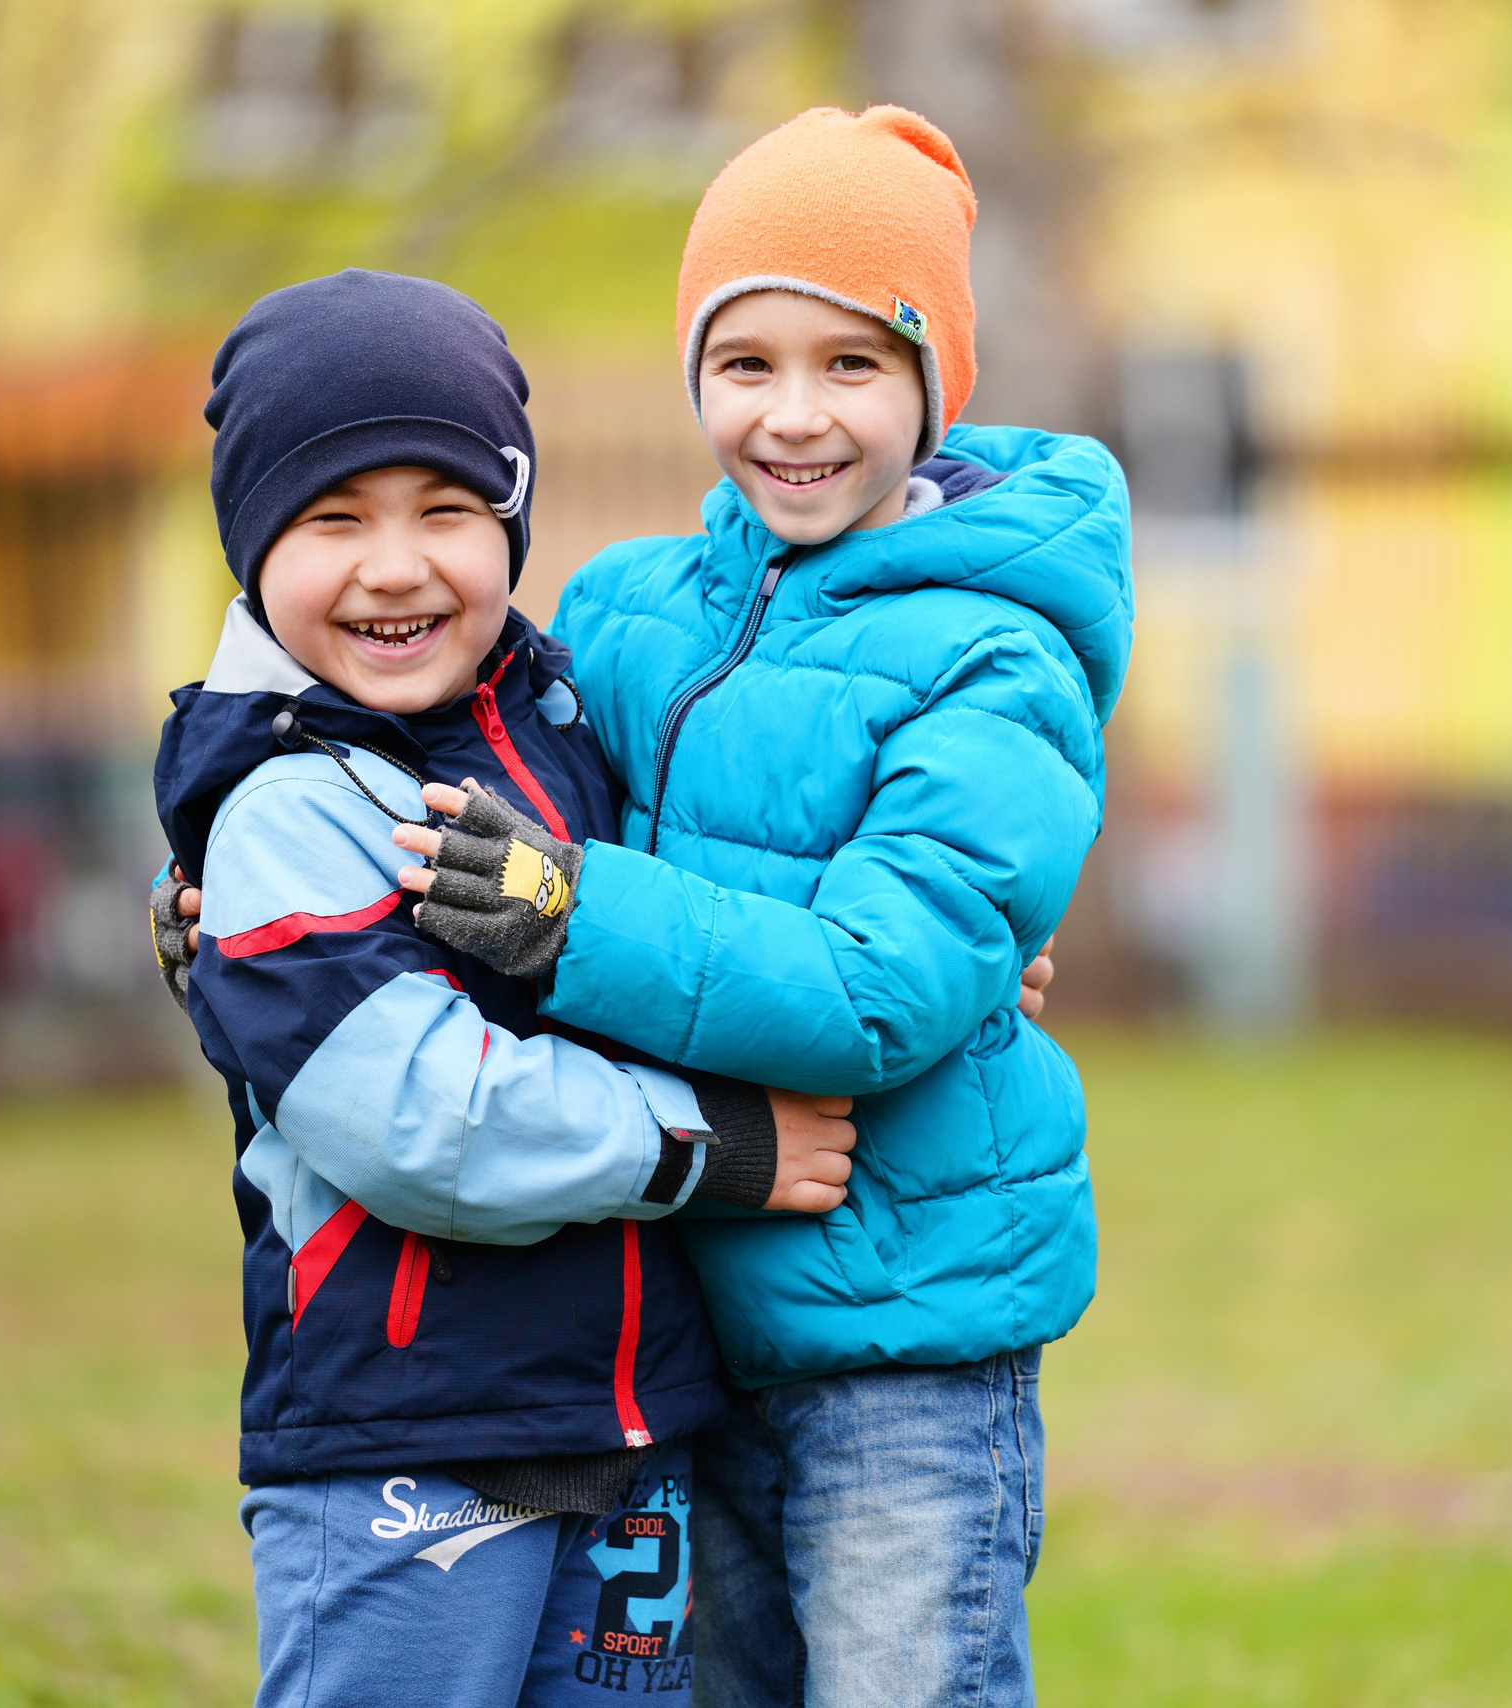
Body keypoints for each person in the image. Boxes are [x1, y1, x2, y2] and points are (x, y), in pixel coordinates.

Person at [390, 107, 1131, 1708]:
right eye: (748, 363)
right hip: (665, 1325)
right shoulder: (622, 612)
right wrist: (247, 890)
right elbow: (459, 803)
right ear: (694, 375)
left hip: (903, 1342)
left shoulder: (997, 655)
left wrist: (575, 919)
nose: (795, 417)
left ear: (938, 383)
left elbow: (876, 989)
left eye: (854, 364)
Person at [150, 267, 858, 1708]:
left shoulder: (559, 723)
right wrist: (709, 1141)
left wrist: (936, 967)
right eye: (332, 517)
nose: (396, 566)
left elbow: (720, 902)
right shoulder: (284, 810)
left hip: (620, 1426)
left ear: (512, 523)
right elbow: (422, 1119)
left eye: (448, 511)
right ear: (249, 544)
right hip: (402, 1444)